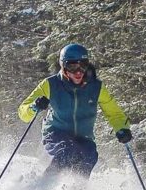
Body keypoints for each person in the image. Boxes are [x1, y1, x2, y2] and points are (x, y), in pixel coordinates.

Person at [18, 43, 132, 178]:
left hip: (84, 136)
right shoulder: (51, 84)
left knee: (90, 155)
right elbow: (23, 113)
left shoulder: (96, 87)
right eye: (72, 66)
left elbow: (114, 113)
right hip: (55, 133)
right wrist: (34, 106)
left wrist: (122, 128)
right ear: (63, 66)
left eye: (83, 66)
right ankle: (43, 185)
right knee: (67, 152)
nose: (78, 72)